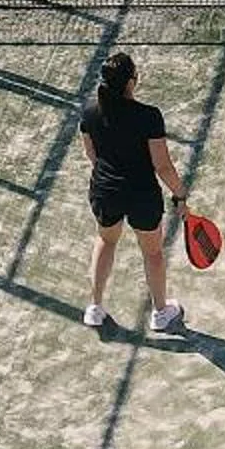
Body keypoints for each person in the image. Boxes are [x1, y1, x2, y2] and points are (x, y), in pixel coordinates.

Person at [79, 51, 191, 333]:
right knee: (153, 253)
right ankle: (161, 313)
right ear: (131, 82)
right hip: (142, 196)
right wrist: (180, 194)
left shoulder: (90, 112)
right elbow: (163, 167)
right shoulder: (149, 116)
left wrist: (111, 175)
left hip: (106, 191)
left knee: (105, 241)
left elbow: (91, 154)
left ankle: (94, 307)